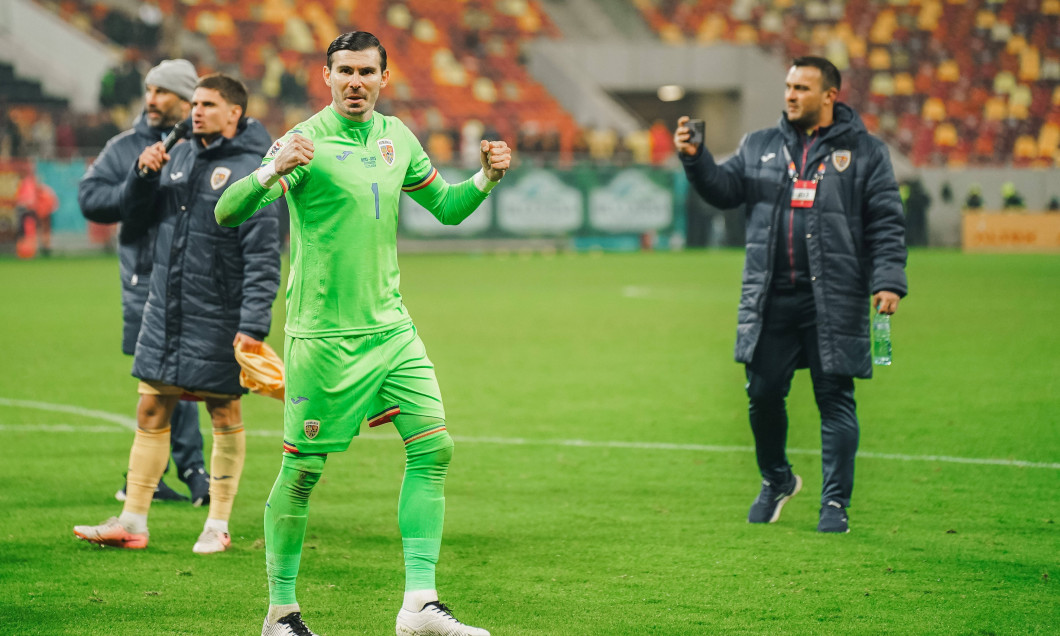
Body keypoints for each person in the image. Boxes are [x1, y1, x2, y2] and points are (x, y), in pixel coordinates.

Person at [215, 31, 510, 636]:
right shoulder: (303, 142)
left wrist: (483, 178)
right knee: (301, 472)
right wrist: (273, 169)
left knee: (434, 447)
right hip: (324, 337)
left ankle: (420, 606)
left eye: (366, 72)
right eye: (345, 71)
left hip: (391, 330)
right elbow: (227, 211)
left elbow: (448, 208)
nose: (356, 82)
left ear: (383, 78)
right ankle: (280, 613)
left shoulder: (397, 137)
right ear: (326, 76)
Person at [674, 56, 907, 534]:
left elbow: (886, 221)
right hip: (770, 296)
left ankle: (835, 503)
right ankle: (777, 479)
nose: (791, 94)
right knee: (761, 395)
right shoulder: (760, 145)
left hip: (835, 298)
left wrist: (888, 280)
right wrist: (696, 160)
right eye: (788, 85)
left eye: (802, 87)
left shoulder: (865, 153)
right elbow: (724, 190)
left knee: (835, 399)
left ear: (829, 96)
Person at [74, 73, 281, 554]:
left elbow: (263, 256)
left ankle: (217, 523)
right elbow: (138, 222)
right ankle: (133, 521)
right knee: (150, 406)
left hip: (219, 315)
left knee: (223, 410)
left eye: (208, 104)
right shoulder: (179, 154)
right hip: (166, 309)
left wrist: (252, 325)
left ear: (235, 113)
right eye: (195, 104)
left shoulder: (256, 171)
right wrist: (142, 175)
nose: (197, 111)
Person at [78, 59, 209, 505]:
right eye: (149, 90)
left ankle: (144, 478)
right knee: (168, 377)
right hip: (145, 281)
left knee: (176, 378)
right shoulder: (124, 148)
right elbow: (91, 200)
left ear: (187, 99)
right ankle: (191, 472)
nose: (151, 99)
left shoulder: (206, 145)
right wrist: (137, 181)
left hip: (196, 278)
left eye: (162, 92)